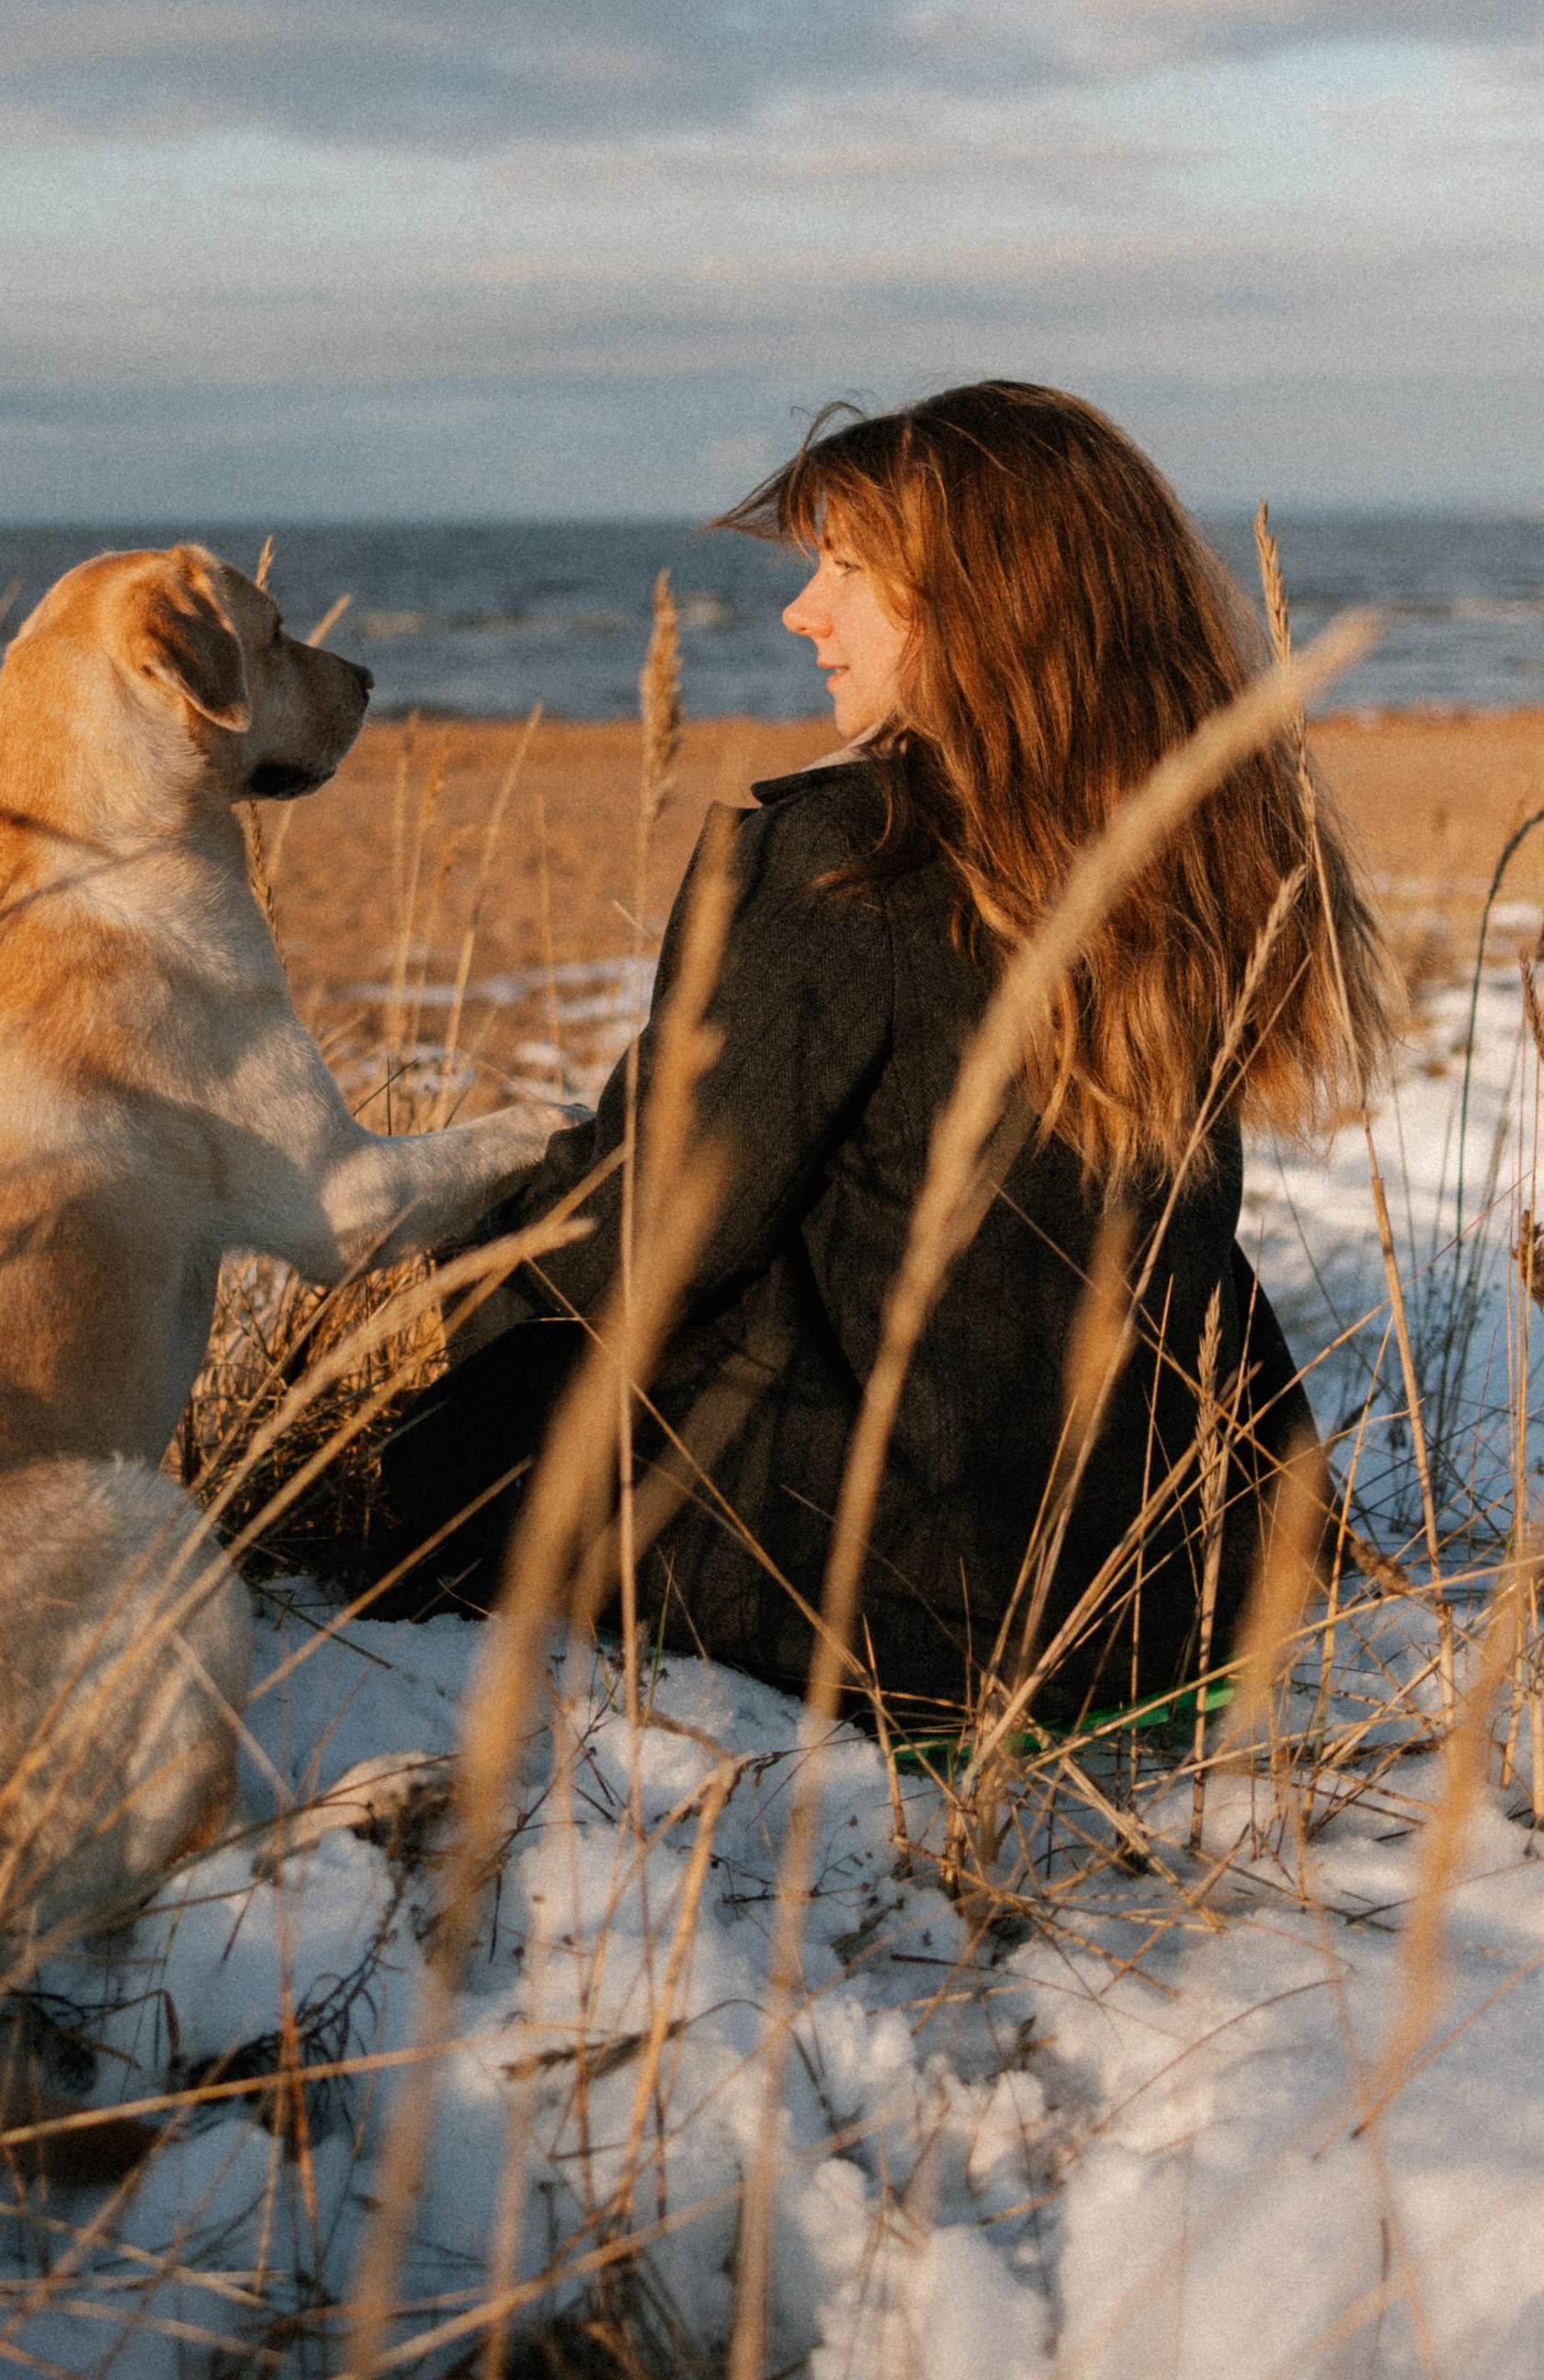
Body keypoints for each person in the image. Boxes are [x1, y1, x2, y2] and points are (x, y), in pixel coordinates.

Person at [369, 381, 1397, 1735]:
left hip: (902, 1632)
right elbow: (1175, 1250)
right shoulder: (1196, 851)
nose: (805, 611)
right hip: (1149, 1623)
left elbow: (656, 1233)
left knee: (455, 1452)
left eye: (850, 569)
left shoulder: (844, 858)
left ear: (988, 601)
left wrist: (457, 1249)